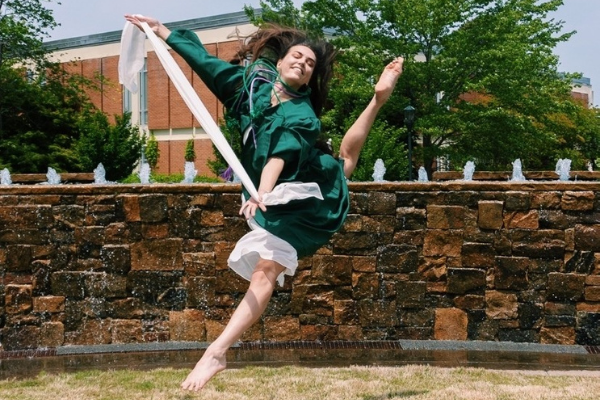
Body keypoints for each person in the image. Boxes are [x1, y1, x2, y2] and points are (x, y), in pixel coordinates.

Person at [124, 14, 403, 392]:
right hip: (269, 191)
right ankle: (219, 353)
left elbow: (279, 156)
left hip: (303, 192)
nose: (303, 64)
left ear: (308, 79)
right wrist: (162, 32)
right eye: (299, 56)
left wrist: (262, 193)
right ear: (282, 58)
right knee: (345, 163)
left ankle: (217, 352)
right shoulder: (249, 85)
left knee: (339, 170)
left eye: (310, 65)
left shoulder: (303, 116)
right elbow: (206, 65)